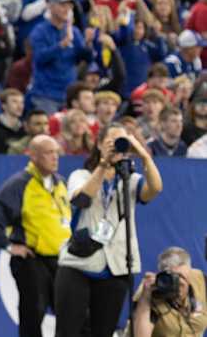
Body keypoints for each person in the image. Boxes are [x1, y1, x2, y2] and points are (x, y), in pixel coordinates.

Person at [54, 123, 163, 337]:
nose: (117, 147)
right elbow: (83, 200)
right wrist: (104, 163)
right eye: (111, 142)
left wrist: (143, 155)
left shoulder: (130, 180)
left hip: (117, 265)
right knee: (67, 331)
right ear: (99, 143)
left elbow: (155, 189)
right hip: (79, 264)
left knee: (103, 332)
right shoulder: (81, 175)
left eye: (122, 142)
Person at [0, 135, 70, 337]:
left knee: (69, 313)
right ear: (34, 156)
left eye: (57, 152)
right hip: (31, 260)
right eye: (49, 153)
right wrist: (8, 245)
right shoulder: (20, 184)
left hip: (60, 260)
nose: (55, 157)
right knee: (33, 313)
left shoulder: (60, 183)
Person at [28, 0, 94, 114]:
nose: (67, 9)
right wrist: (61, 45)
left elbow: (86, 58)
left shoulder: (73, 31)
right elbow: (39, 58)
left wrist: (88, 44)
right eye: (62, 5)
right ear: (51, 7)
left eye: (69, 6)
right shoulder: (40, 30)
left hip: (68, 94)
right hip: (46, 94)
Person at [132, 247, 207, 337]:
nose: (178, 283)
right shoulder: (151, 292)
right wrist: (145, 297)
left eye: (182, 276)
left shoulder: (200, 280)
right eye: (173, 277)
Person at [0, 88, 26, 154]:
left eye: (21, 102)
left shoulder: (25, 129)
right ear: (3, 105)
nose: (20, 106)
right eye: (14, 102)